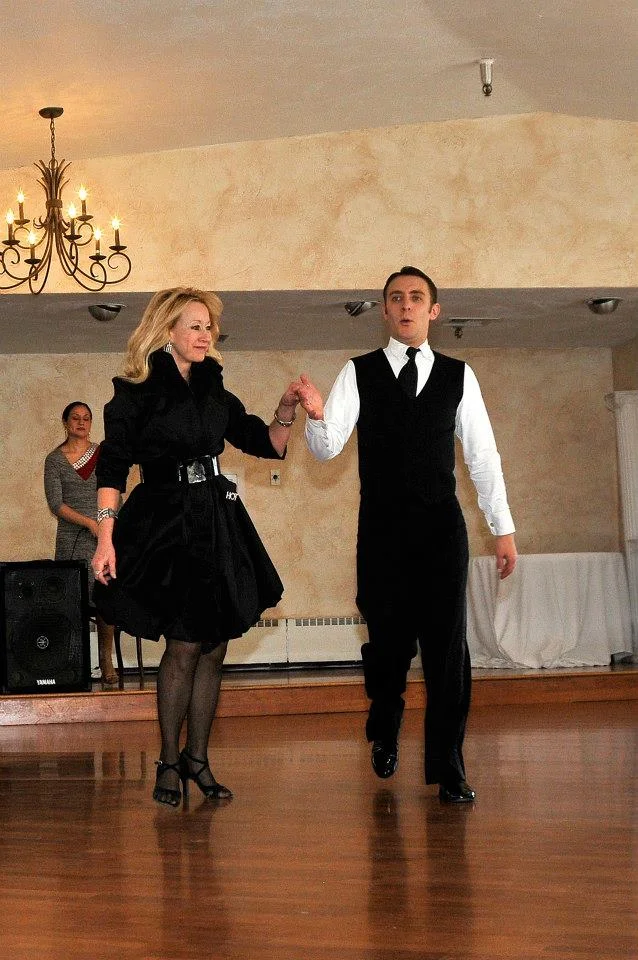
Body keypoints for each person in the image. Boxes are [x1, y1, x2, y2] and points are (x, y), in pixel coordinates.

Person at [299, 266, 517, 803]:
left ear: (433, 311)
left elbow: (483, 456)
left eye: (416, 297)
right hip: (382, 532)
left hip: (442, 531)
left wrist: (503, 529)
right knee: (389, 645)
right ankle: (384, 727)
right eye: (396, 298)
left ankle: (449, 767)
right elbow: (327, 448)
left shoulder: (459, 376)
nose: (406, 305)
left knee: (447, 650)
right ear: (385, 310)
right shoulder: (359, 372)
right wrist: (316, 416)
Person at [92, 286, 308, 809]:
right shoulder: (135, 391)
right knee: (185, 644)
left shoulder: (214, 386)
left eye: (209, 326)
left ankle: (198, 758)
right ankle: (169, 760)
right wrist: (105, 538)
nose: (205, 334)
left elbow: (265, 442)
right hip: (165, 522)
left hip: (215, 519)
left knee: (214, 645)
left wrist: (285, 409)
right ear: (167, 330)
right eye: (195, 325)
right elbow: (112, 467)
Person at [44, 402, 118, 685]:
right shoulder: (54, 460)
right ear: (65, 422)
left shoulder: (103, 454)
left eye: (86, 418)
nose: (81, 422)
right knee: (70, 600)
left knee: (105, 598)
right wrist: (89, 523)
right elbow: (56, 504)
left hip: (104, 539)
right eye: (75, 418)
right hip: (71, 539)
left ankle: (105, 660)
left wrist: (107, 525)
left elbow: (115, 493)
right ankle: (73, 664)